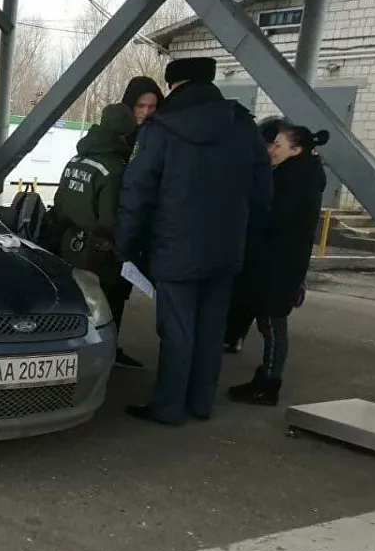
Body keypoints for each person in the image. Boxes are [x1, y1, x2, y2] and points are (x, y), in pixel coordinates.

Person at [116, 57, 273, 426]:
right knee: (211, 329)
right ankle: (201, 403)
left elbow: (136, 191)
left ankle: (169, 407)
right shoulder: (243, 126)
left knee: (177, 330)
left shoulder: (161, 127)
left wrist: (126, 245)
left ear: (174, 84)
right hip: (226, 249)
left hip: (175, 247)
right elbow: (263, 192)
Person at [228, 121, 329, 406]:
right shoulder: (300, 175)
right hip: (280, 262)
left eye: (279, 145)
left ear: (296, 150)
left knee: (272, 324)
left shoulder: (292, 180)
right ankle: (265, 379)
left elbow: (272, 218)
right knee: (270, 322)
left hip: (278, 265)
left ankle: (269, 384)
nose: (272, 150)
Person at [52, 103, 143, 369]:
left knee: (76, 303)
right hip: (99, 251)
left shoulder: (76, 160)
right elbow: (110, 219)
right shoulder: (113, 168)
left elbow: (59, 204)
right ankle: (103, 357)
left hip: (70, 244)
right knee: (105, 306)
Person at [224, 116, 283, 352]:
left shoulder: (281, 175)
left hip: (258, 244)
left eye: (276, 146)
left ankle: (234, 334)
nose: (271, 151)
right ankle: (232, 334)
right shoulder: (253, 166)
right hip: (244, 240)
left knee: (247, 294)